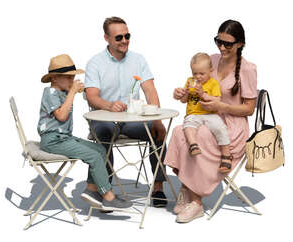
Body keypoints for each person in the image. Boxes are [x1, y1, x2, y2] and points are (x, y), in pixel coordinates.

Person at [164, 20, 257, 223]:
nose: (221, 47)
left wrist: (221, 106)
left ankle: (196, 202)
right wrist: (183, 93)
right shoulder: (211, 60)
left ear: (240, 44)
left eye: (227, 44)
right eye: (218, 41)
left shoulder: (248, 69)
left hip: (232, 126)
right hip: (205, 118)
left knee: (201, 136)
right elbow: (196, 88)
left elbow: (249, 109)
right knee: (180, 131)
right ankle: (186, 188)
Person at [84, 16, 168, 207]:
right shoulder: (95, 63)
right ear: (106, 38)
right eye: (119, 37)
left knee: (158, 133)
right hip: (104, 118)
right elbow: (91, 96)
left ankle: (158, 188)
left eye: (127, 36)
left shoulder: (139, 60)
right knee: (104, 132)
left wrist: (157, 121)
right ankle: (105, 190)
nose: (124, 41)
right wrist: (109, 105)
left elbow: (150, 91)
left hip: (132, 120)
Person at [38, 54, 133, 211]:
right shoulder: (49, 93)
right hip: (53, 140)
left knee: (100, 149)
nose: (72, 81)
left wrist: (78, 92)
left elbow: (81, 98)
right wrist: (72, 92)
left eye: (73, 77)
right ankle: (108, 196)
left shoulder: (63, 92)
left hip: (64, 138)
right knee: (94, 156)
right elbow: (61, 116)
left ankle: (91, 190)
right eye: (68, 78)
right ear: (54, 79)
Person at [181, 52, 231, 173]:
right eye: (195, 73)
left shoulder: (213, 83)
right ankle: (193, 145)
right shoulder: (190, 81)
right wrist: (185, 93)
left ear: (210, 71)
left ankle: (226, 154)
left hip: (210, 114)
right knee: (187, 126)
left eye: (202, 74)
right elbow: (183, 100)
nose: (198, 77)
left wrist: (202, 94)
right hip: (193, 114)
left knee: (220, 128)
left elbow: (217, 100)